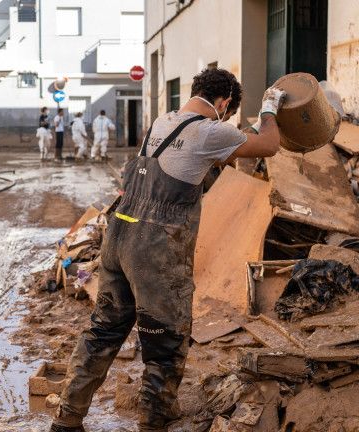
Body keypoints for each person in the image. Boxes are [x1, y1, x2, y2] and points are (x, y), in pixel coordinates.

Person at [49, 68, 285, 432]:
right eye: (228, 112)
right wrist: (269, 110)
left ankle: (67, 418)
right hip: (155, 250)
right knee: (165, 341)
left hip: (119, 235)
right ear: (223, 104)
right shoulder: (210, 131)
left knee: (103, 332)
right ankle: (154, 420)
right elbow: (268, 145)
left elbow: (211, 154)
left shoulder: (163, 122)